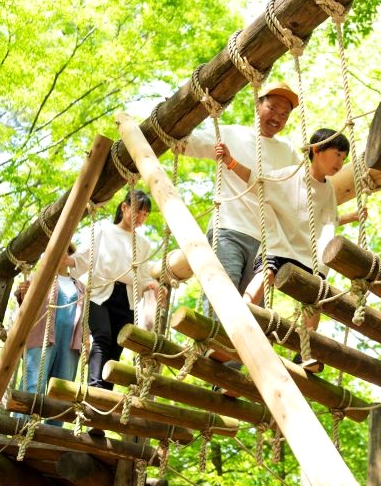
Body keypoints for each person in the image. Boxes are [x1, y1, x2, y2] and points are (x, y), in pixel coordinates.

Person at [216, 128, 358, 332]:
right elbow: (257, 181)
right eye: (337, 154)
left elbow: (329, 220)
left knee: (316, 293)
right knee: (267, 272)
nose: (340, 162)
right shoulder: (290, 176)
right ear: (317, 150)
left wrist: (351, 217)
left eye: (344, 158)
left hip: (309, 254)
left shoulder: (328, 191)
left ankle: (308, 347)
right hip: (282, 245)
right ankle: (244, 311)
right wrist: (231, 162)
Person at [176, 81, 302, 299]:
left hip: (266, 242)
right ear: (258, 105)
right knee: (222, 300)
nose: (277, 117)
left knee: (252, 312)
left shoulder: (288, 152)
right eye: (272, 108)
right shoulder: (231, 134)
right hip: (228, 229)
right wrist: (177, 113)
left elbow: (308, 188)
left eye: (284, 114)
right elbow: (185, 144)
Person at [68, 189, 159, 391]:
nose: (141, 217)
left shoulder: (143, 244)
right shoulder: (104, 230)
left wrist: (150, 285)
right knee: (103, 337)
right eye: (138, 211)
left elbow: (142, 276)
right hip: (100, 293)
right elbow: (82, 258)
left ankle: (106, 394)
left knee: (118, 345)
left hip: (125, 298)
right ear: (124, 207)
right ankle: (94, 387)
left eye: (145, 214)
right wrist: (65, 259)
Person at [16, 244, 85, 426]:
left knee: (61, 392)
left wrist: (87, 339)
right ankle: (21, 428)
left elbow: (85, 318)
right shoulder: (40, 277)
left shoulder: (81, 287)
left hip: (70, 343)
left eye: (63, 250)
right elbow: (26, 307)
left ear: (70, 256)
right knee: (33, 384)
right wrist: (23, 294)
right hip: (42, 335)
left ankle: (51, 436)